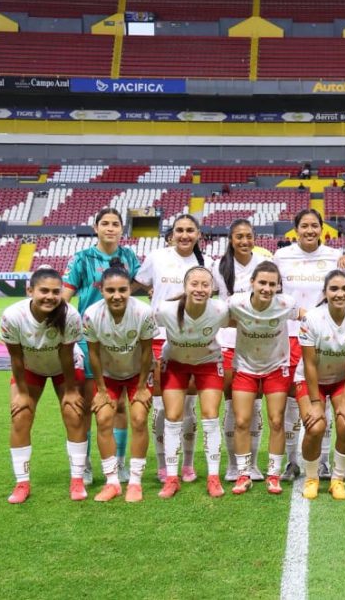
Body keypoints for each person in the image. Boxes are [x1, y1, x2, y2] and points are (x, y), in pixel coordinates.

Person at [62, 208, 142, 486]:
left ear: (122, 229)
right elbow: (66, 296)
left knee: (118, 404)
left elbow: (139, 287)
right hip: (90, 339)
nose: (110, 228)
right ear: (95, 228)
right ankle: (83, 464)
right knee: (88, 404)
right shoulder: (82, 258)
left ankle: (119, 462)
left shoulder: (130, 257)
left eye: (115, 224)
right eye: (105, 223)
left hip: (122, 341)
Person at [136, 214, 216, 484]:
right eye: (179, 230)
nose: (184, 235)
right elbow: (142, 283)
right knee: (162, 408)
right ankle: (163, 464)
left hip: (194, 340)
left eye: (190, 230)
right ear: (172, 234)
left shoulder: (207, 263)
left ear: (198, 234)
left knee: (190, 408)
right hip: (159, 337)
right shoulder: (157, 257)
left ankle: (188, 464)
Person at [1, 267, 87, 504]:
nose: (50, 296)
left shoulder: (70, 315)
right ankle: (22, 483)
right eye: (44, 291)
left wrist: (71, 391)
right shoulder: (12, 316)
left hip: (64, 367)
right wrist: (21, 392)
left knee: (74, 413)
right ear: (30, 291)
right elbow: (16, 357)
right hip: (30, 367)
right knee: (20, 416)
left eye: (55, 292)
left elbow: (66, 355)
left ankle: (77, 480)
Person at [273, 209, 342, 480]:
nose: (310, 230)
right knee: (293, 400)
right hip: (290, 335)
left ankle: (323, 461)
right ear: (296, 229)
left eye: (315, 225)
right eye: (304, 226)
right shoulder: (282, 256)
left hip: (324, 337)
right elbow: (275, 294)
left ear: (322, 229)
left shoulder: (335, 256)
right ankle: (292, 461)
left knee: (322, 399)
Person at [156, 266, 230, 499]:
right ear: (185, 287)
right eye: (194, 284)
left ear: (212, 288)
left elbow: (241, 322)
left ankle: (213, 477)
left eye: (205, 285)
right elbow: (146, 331)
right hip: (175, 363)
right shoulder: (165, 310)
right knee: (172, 417)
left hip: (208, 362)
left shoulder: (220, 309)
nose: (200, 289)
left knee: (210, 416)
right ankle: (171, 478)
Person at [227, 262, 301, 494]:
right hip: (245, 367)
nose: (267, 288)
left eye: (272, 284)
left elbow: (304, 315)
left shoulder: (286, 303)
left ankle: (273, 475)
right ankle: (243, 474)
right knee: (241, 421)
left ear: (278, 286)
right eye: (262, 283)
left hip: (276, 367)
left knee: (276, 421)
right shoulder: (236, 303)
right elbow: (218, 316)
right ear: (252, 282)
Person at [83, 266, 155, 502]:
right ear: (101, 290)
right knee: (103, 419)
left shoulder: (143, 312)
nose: (117, 295)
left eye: (122, 290)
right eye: (110, 290)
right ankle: (112, 482)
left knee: (139, 419)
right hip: (108, 376)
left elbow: (147, 351)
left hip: (137, 374)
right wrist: (101, 390)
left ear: (130, 290)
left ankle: (135, 482)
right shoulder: (92, 315)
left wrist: (142, 387)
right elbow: (93, 354)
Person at [297, 270, 345, 500]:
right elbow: (309, 364)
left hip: (341, 379)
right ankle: (312, 478)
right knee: (315, 427)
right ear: (325, 293)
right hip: (311, 379)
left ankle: (337, 479)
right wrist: (316, 403)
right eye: (334, 289)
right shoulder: (311, 319)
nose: (340, 294)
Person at [216, 220, 269, 482]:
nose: (244, 241)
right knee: (232, 406)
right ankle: (233, 465)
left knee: (255, 405)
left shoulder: (264, 263)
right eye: (239, 236)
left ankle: (253, 463)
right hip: (227, 342)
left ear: (254, 238)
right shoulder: (219, 266)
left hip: (257, 343)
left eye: (249, 236)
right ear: (231, 239)